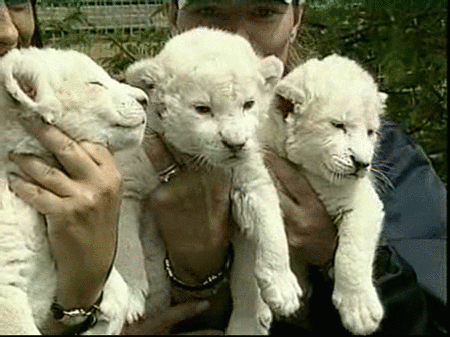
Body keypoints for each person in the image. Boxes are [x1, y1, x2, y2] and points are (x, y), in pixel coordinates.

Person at [2, 0, 446, 335]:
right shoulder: (114, 122)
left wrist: (331, 251)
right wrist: (86, 302)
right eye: (208, 9)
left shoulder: (366, 146)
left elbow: (432, 316)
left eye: (263, 11)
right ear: (172, 16)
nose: (233, 34)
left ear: (297, 20)